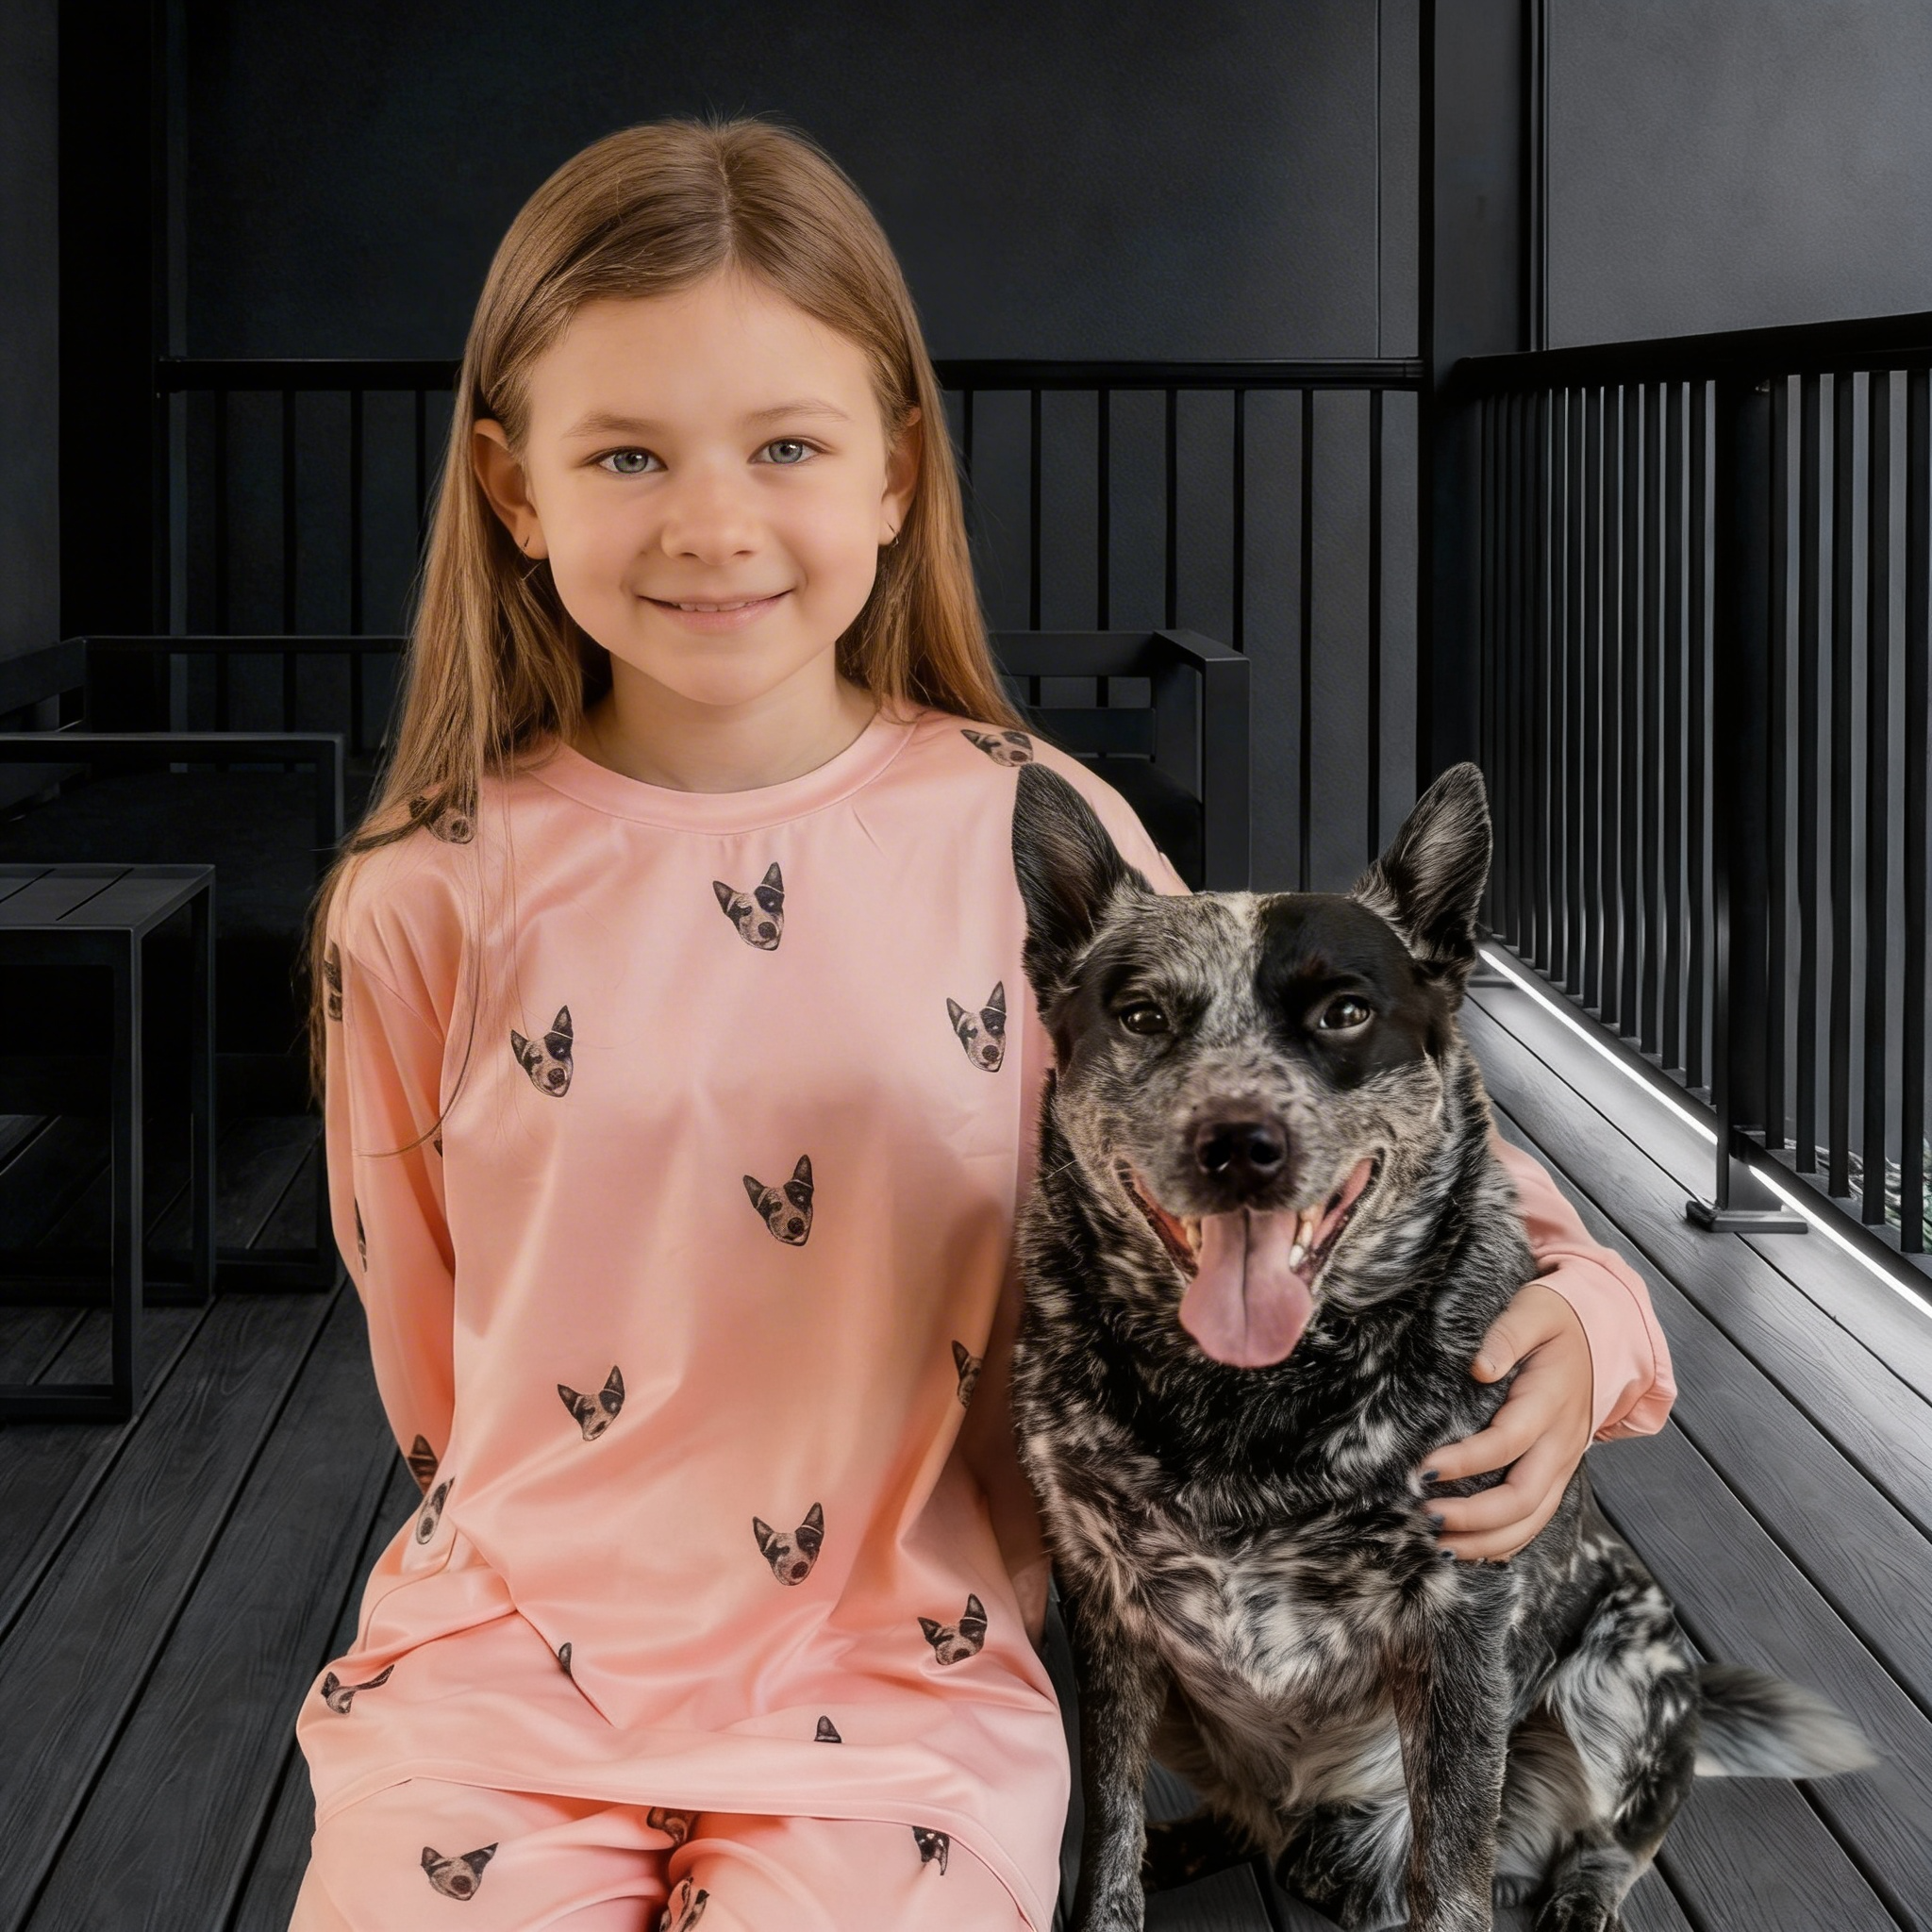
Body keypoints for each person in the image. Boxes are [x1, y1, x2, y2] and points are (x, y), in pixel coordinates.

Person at [288, 113, 1674, 1932]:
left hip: (914, 1684)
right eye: (627, 451)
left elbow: (1412, 1140)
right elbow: (433, 1372)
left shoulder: (1034, 828)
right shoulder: (417, 901)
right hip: (505, 1682)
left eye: (787, 443)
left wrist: (1588, 1319)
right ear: (512, 484)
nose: (713, 521)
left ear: (893, 471)